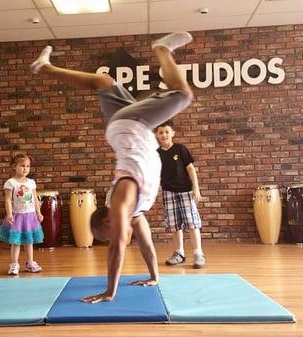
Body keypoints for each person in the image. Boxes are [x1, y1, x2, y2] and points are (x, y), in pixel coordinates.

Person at [31, 31, 194, 303]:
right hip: (122, 128)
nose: (115, 237)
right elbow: (147, 246)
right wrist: (154, 276)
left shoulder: (123, 198)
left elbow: (118, 248)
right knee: (103, 81)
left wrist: (110, 291)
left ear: (108, 221)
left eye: (107, 233)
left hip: (132, 125)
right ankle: (45, 68)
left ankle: (162, 49)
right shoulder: (136, 212)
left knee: (184, 95)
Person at [155, 120, 205, 268]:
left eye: (166, 132)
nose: (164, 135)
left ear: (172, 133)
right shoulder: (156, 154)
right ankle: (179, 253)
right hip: (168, 193)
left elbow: (190, 169)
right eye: (161, 132)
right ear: (157, 135)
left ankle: (198, 253)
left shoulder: (180, 149)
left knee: (192, 223)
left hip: (185, 191)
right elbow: (155, 174)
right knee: (174, 225)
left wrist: (196, 189)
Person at [0, 153, 44, 275]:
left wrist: (39, 212)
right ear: (14, 166)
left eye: (28, 166)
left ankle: (30, 262)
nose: (25, 169)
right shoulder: (11, 182)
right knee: (16, 241)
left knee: (29, 241)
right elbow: (7, 199)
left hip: (30, 216)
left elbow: (35, 198)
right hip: (17, 216)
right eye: (22, 166)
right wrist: (9, 214)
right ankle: (14, 264)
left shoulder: (31, 183)